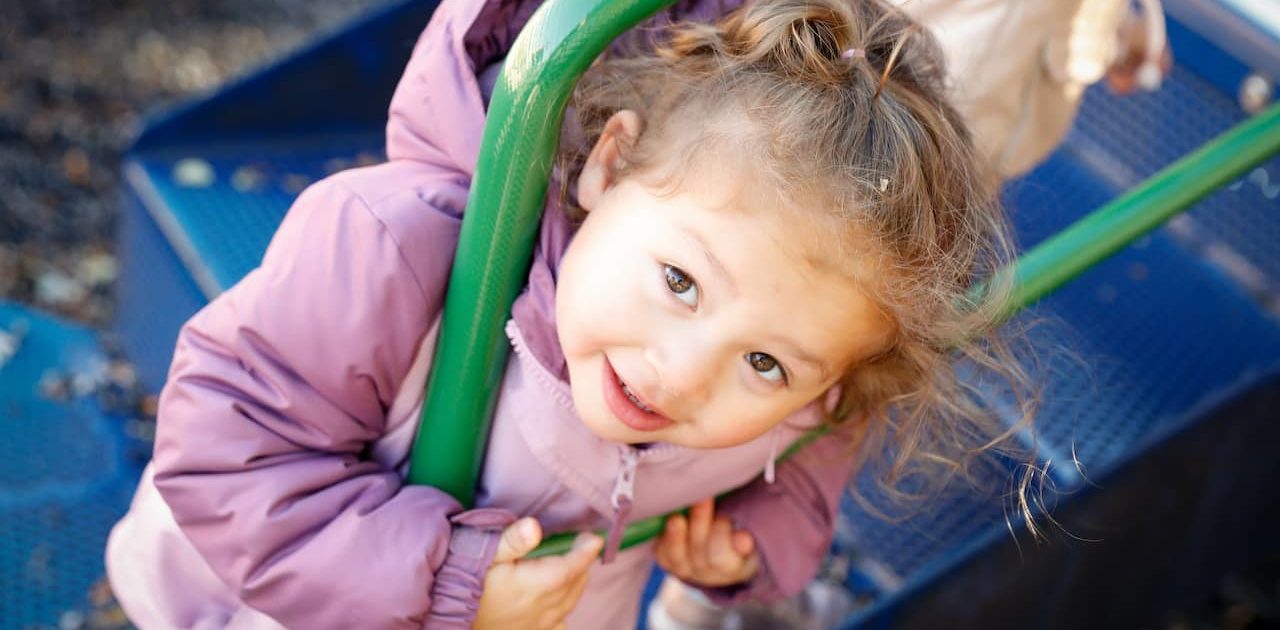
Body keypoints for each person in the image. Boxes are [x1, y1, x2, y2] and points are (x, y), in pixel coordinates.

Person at [105, 0, 1036, 628]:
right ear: (609, 165)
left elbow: (805, 467)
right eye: (679, 283)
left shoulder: (818, 377)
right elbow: (230, 447)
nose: (680, 373)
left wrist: (745, 550)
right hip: (251, 596)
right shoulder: (401, 248)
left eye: (765, 364)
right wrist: (454, 592)